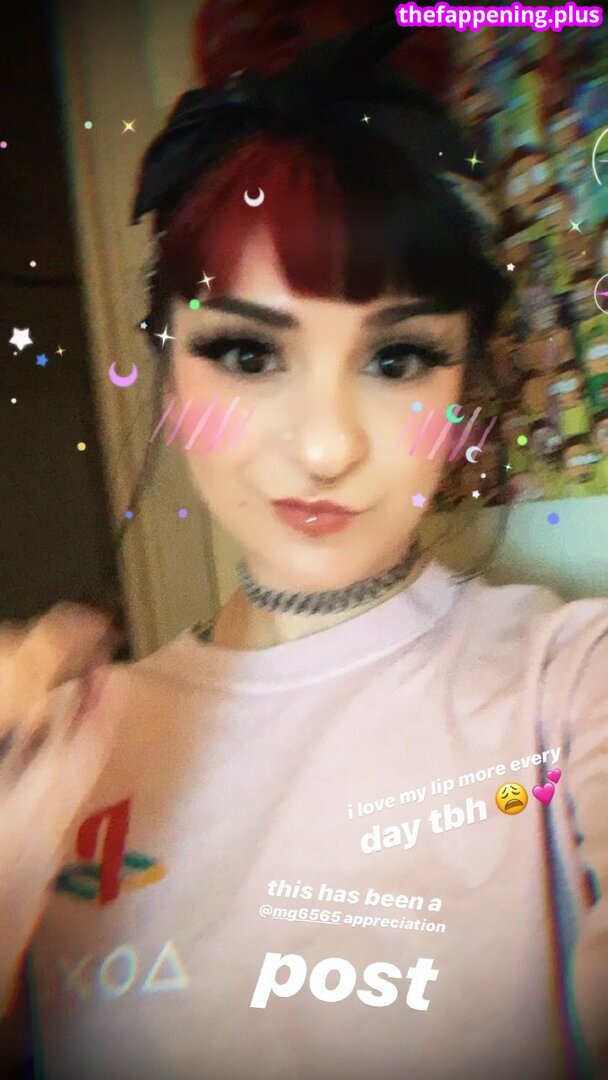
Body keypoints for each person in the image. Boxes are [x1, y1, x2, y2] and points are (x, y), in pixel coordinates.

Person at [1, 6, 608, 1079]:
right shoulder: (58, 755)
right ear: (168, 371)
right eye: (247, 354)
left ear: (463, 387)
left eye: (396, 359)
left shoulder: (562, 692)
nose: (325, 447)